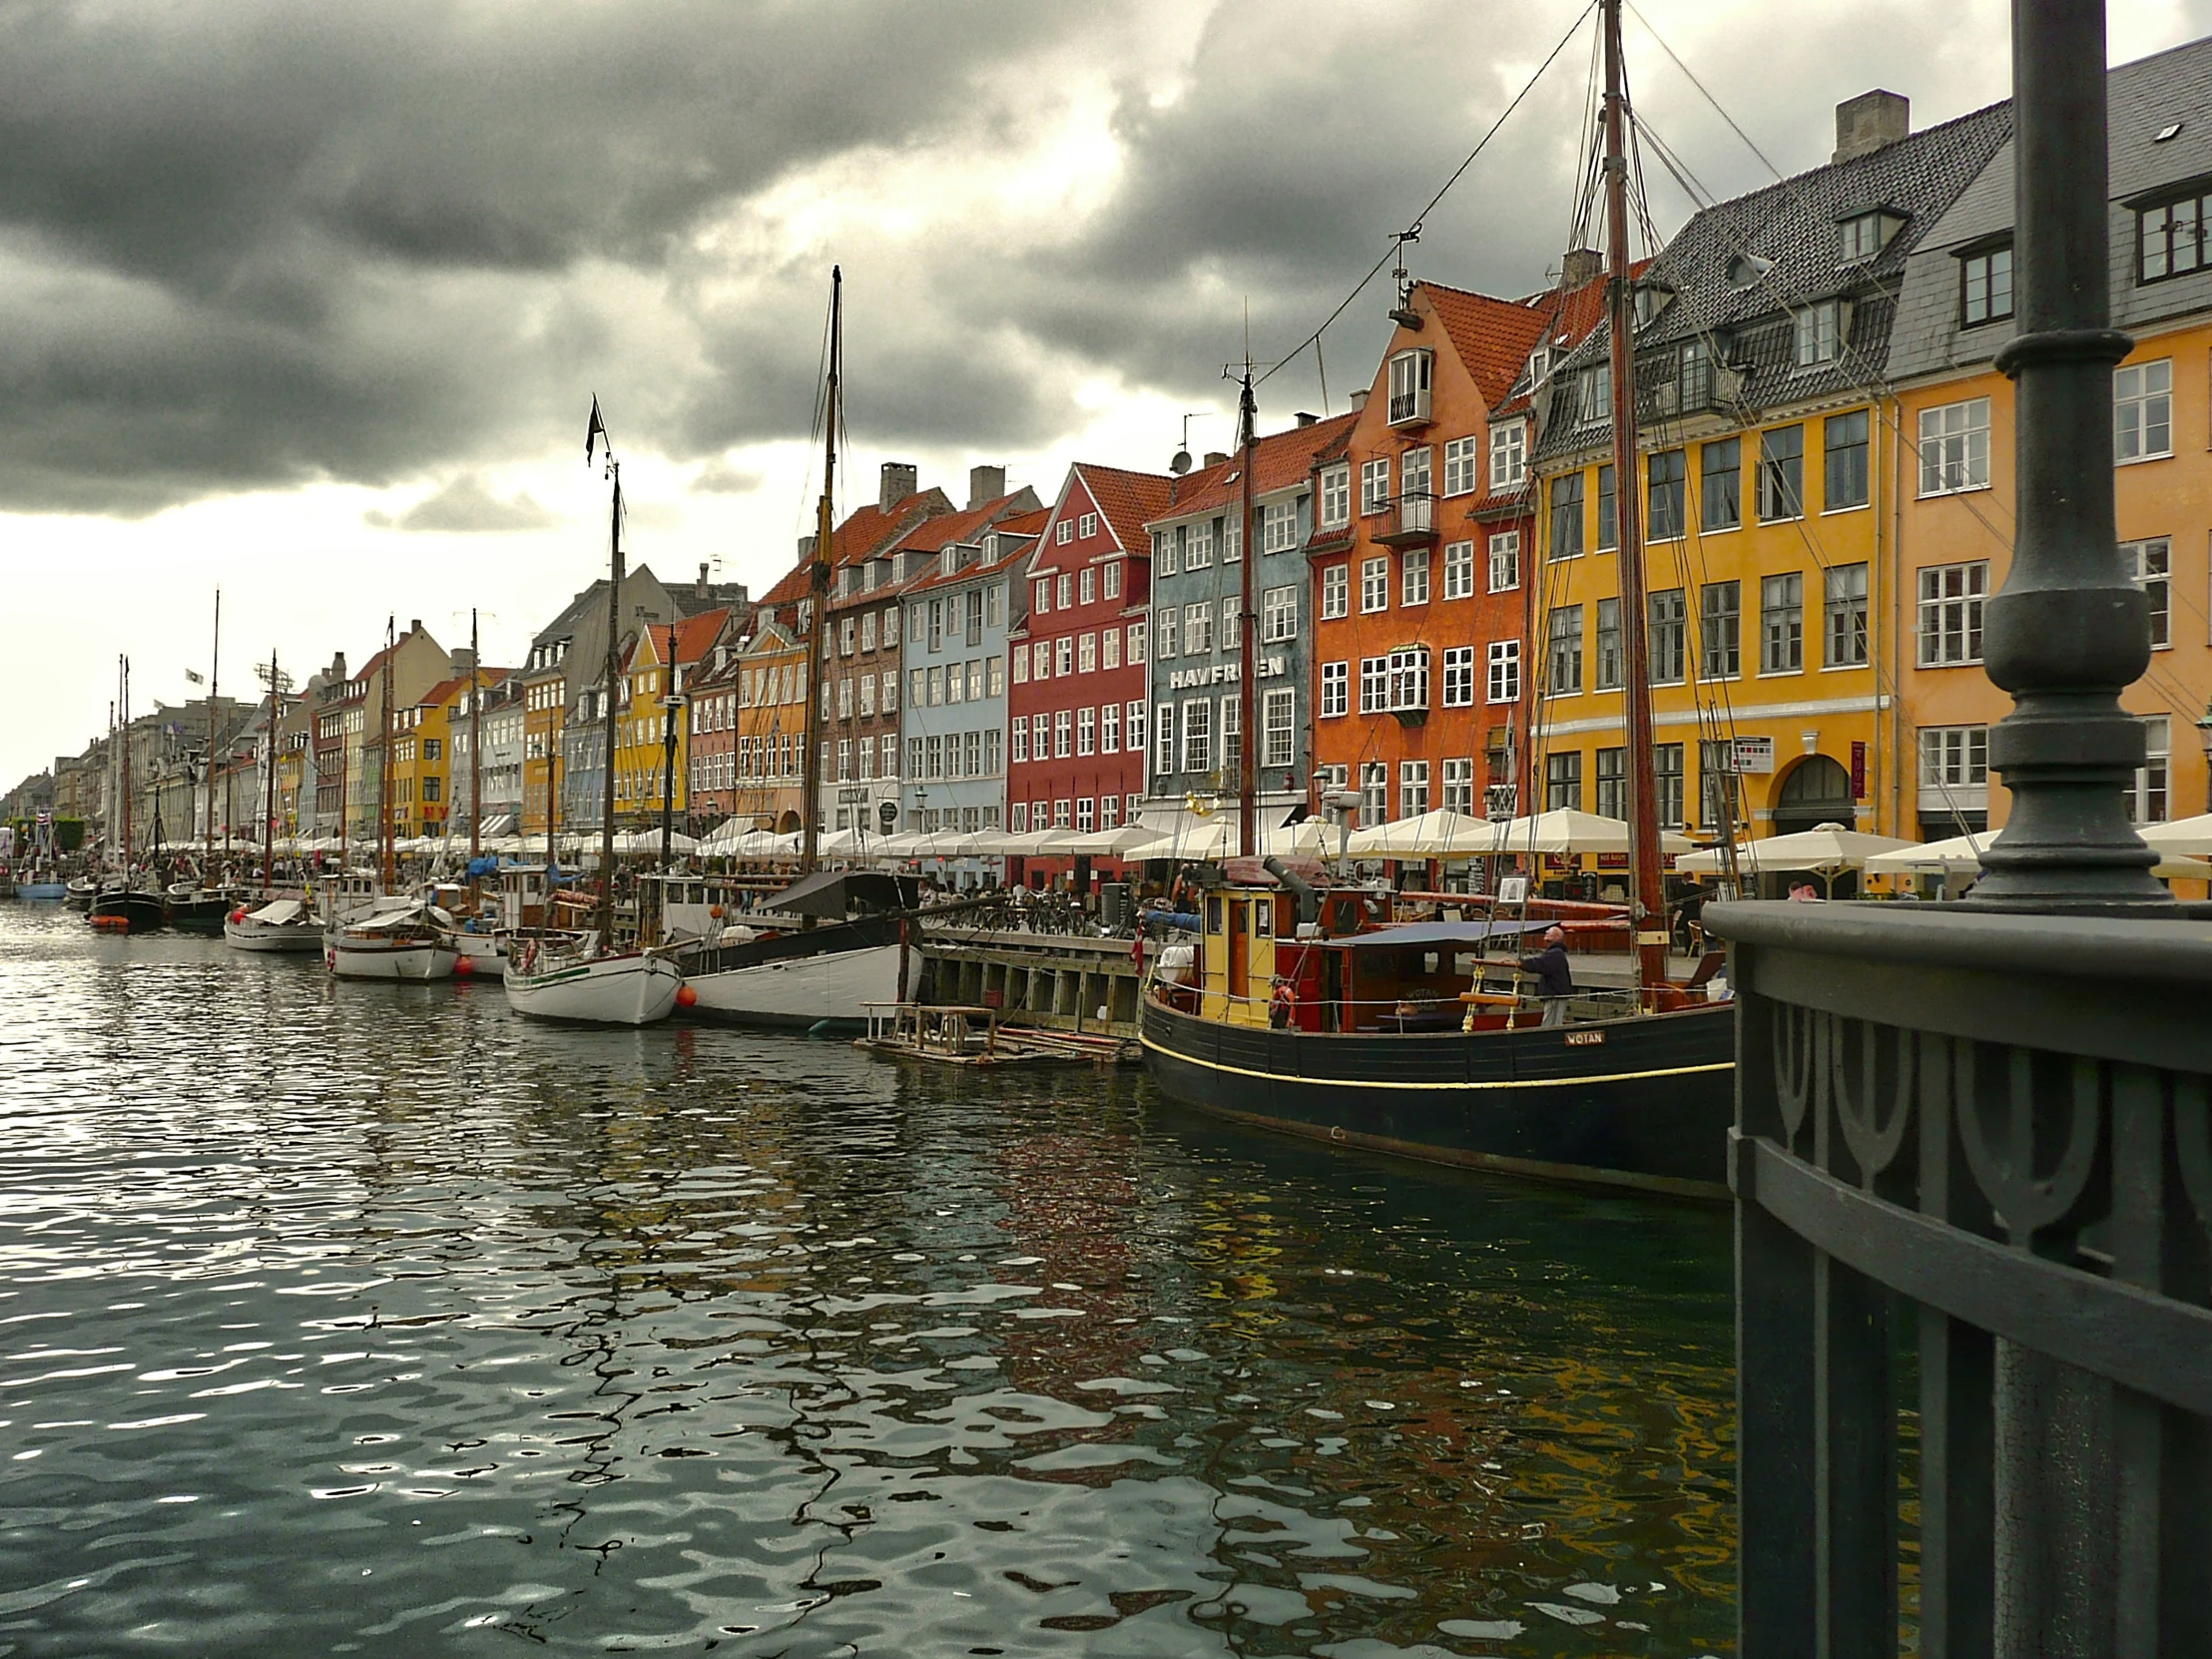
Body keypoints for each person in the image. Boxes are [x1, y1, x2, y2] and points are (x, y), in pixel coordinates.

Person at [1517, 925, 1575, 1027]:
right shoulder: (1554, 953)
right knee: (1549, 1022)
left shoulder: (1556, 953)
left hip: (1555, 996)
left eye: (1550, 932)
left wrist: (1520, 963)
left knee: (1551, 1024)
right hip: (1552, 995)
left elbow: (1540, 964)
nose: (1546, 932)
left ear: (1557, 937)